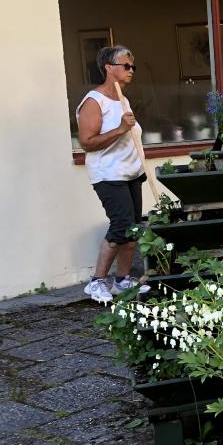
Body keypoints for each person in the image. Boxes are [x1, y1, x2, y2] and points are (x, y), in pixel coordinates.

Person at [75, 45, 146, 303]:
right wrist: (118, 129)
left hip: (131, 173)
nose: (130, 71)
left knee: (133, 229)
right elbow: (87, 142)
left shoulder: (122, 99)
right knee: (121, 226)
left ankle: (122, 280)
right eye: (125, 66)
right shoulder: (94, 101)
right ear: (108, 68)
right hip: (108, 174)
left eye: (132, 67)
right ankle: (96, 282)